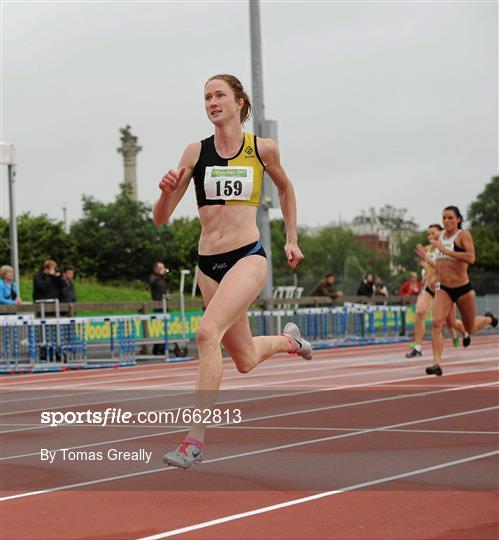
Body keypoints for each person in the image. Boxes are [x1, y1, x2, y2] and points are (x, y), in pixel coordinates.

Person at [153, 74, 311, 468]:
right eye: (206, 97)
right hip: (209, 266)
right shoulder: (194, 152)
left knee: (207, 333)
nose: (211, 102)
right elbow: (161, 219)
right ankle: (290, 342)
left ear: (240, 102)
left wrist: (291, 238)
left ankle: (194, 442)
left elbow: (287, 189)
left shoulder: (262, 149)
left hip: (247, 257)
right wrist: (164, 190)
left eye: (219, 94)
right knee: (243, 358)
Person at [425, 206, 497, 376]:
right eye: (444, 218)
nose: (446, 221)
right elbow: (440, 262)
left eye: (450, 217)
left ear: (458, 219)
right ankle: (436, 364)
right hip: (444, 288)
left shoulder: (463, 235)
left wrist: (447, 251)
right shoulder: (439, 235)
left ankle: (489, 319)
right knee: (436, 322)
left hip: (462, 288)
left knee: (470, 327)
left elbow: (471, 258)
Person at [406, 224, 465, 358]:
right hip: (430, 287)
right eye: (428, 234)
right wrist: (426, 274)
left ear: (441, 233)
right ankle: (418, 346)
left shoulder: (446, 248)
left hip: (445, 288)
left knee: (451, 323)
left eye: (434, 233)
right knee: (420, 312)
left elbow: (441, 267)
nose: (431, 236)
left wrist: (426, 259)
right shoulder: (427, 249)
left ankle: (465, 333)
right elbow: (429, 267)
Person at [150, 261, 169, 355]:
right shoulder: (154, 278)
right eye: (161, 268)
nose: (163, 270)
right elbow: (154, 282)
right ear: (156, 269)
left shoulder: (162, 278)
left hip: (164, 305)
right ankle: (158, 346)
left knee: (165, 326)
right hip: (158, 305)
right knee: (158, 327)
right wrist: (161, 275)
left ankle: (162, 346)